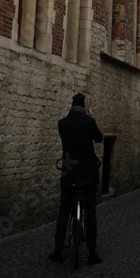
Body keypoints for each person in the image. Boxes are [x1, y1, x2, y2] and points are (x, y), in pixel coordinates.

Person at [49, 93, 103, 265]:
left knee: (64, 211)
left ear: (71, 106)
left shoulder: (62, 123)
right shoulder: (89, 122)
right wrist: (90, 118)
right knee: (91, 212)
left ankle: (58, 250)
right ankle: (92, 252)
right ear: (84, 106)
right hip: (87, 172)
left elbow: (67, 138)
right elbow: (99, 138)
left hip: (69, 172)